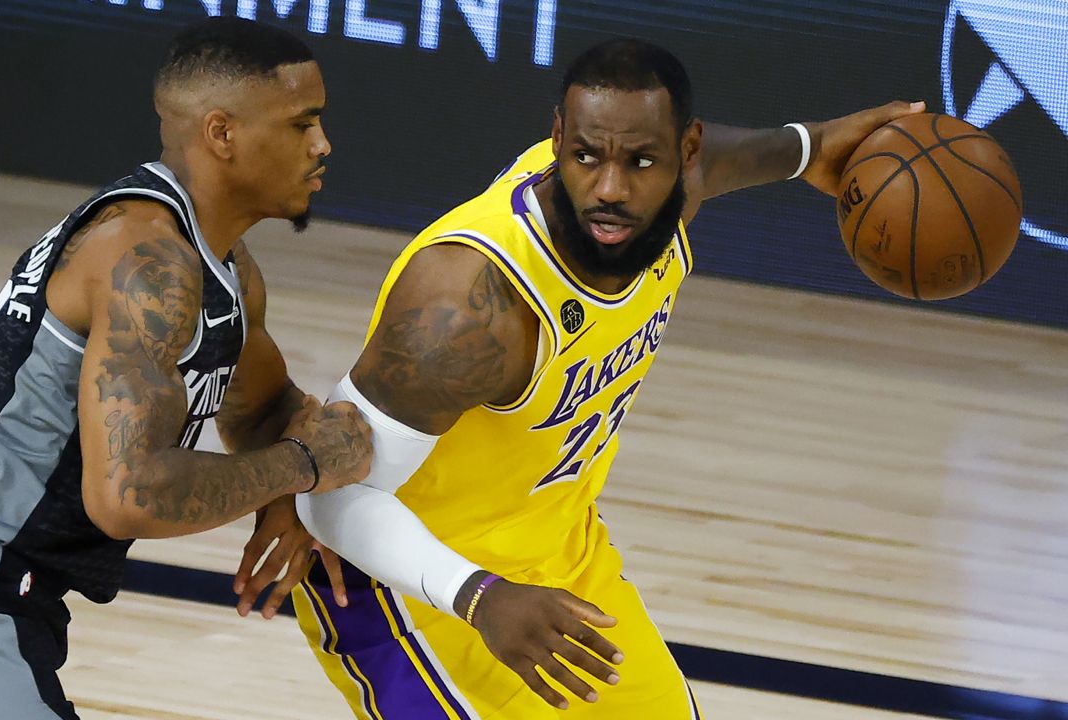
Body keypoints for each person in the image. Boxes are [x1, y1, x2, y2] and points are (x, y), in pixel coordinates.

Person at [293, 38, 923, 718]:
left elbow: (740, 158)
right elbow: (327, 500)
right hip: (412, 588)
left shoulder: (680, 189)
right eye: (586, 156)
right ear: (558, 138)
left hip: (558, 550)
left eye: (642, 160)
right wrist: (479, 595)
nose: (610, 189)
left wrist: (816, 146)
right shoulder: (470, 308)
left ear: (684, 153)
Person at [0, 17, 371, 720]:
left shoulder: (225, 271)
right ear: (222, 133)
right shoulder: (147, 259)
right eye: (302, 124)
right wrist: (303, 466)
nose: (324, 145)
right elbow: (129, 495)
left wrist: (293, 493)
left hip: (7, 588)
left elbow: (265, 411)